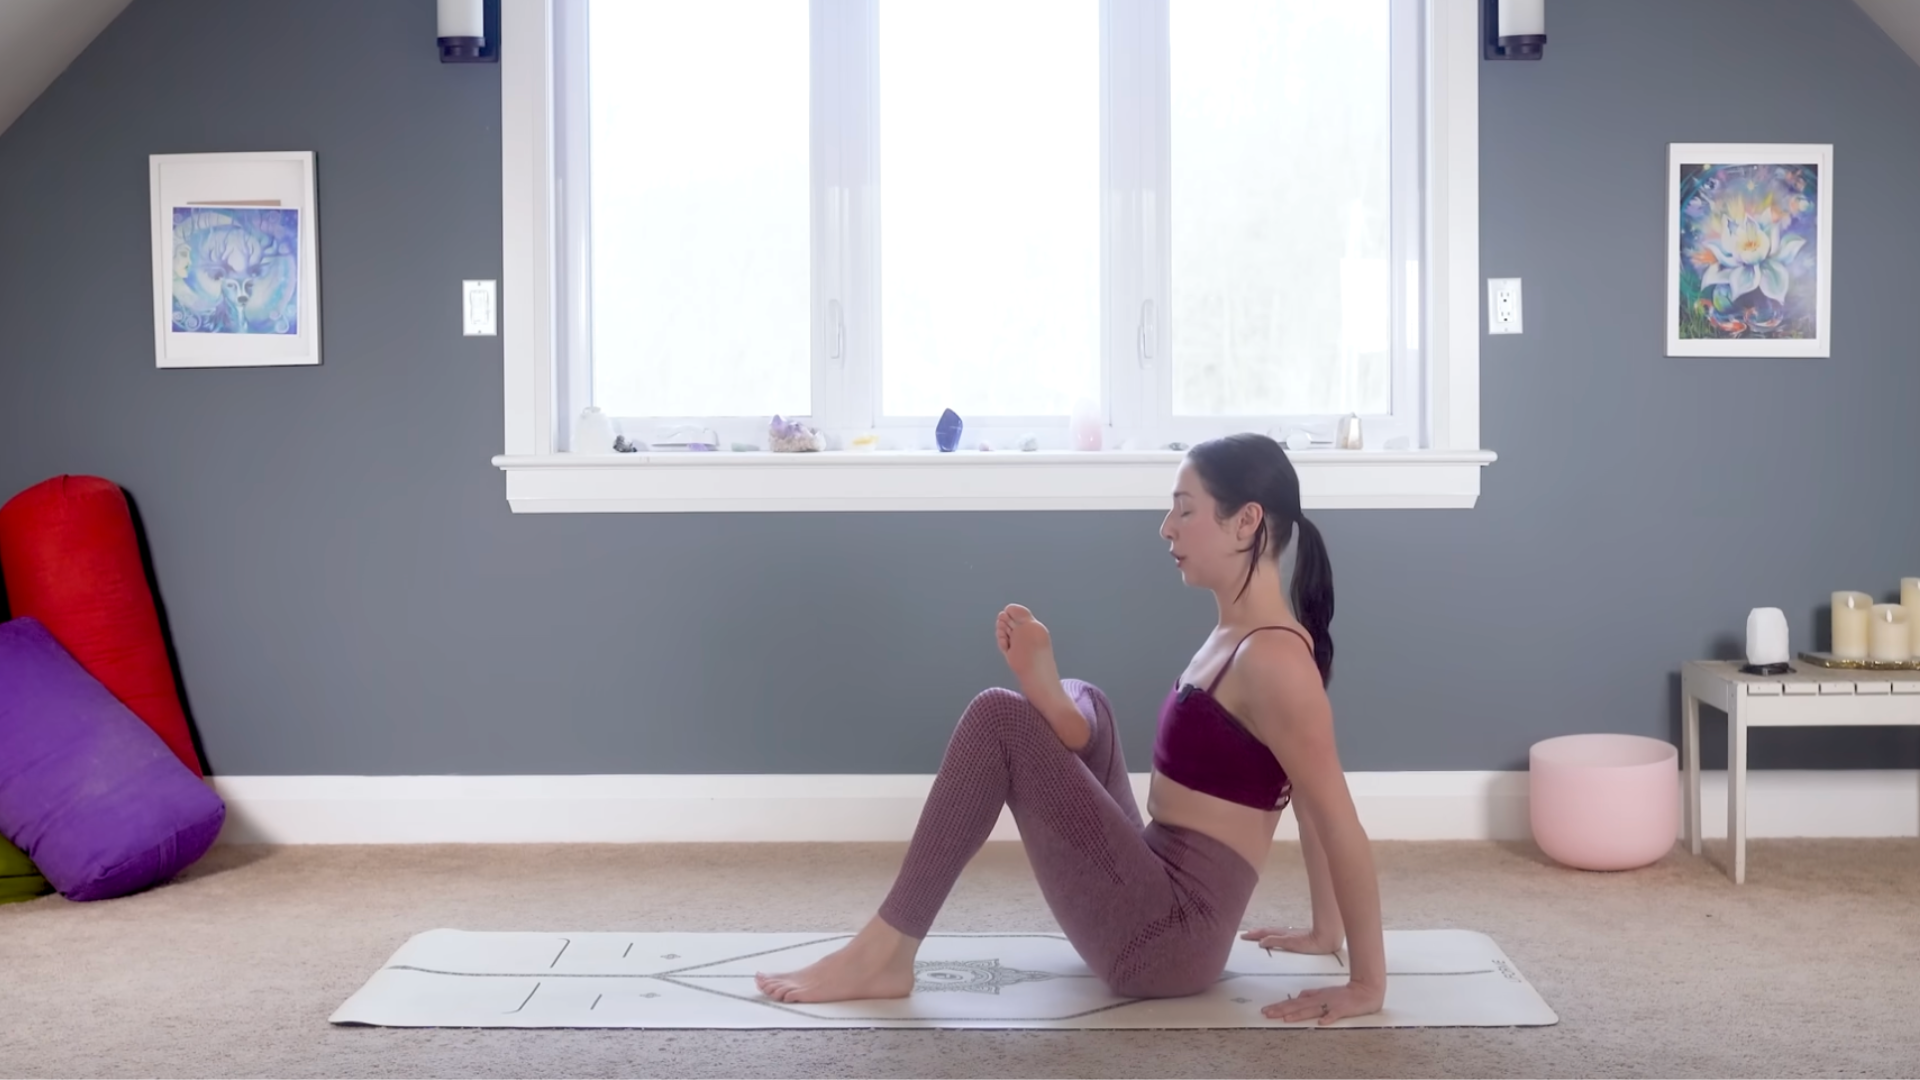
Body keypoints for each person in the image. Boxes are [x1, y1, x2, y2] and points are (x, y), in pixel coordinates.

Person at [754, 432, 1385, 1025]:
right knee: (1093, 705)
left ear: (1246, 521)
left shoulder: (1272, 659)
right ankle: (1061, 707)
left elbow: (1334, 817)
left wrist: (1366, 984)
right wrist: (1322, 932)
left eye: (1184, 510)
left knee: (999, 717)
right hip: (1157, 886)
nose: (1166, 528)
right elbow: (1301, 801)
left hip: (1167, 939)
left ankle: (884, 954)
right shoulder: (1239, 638)